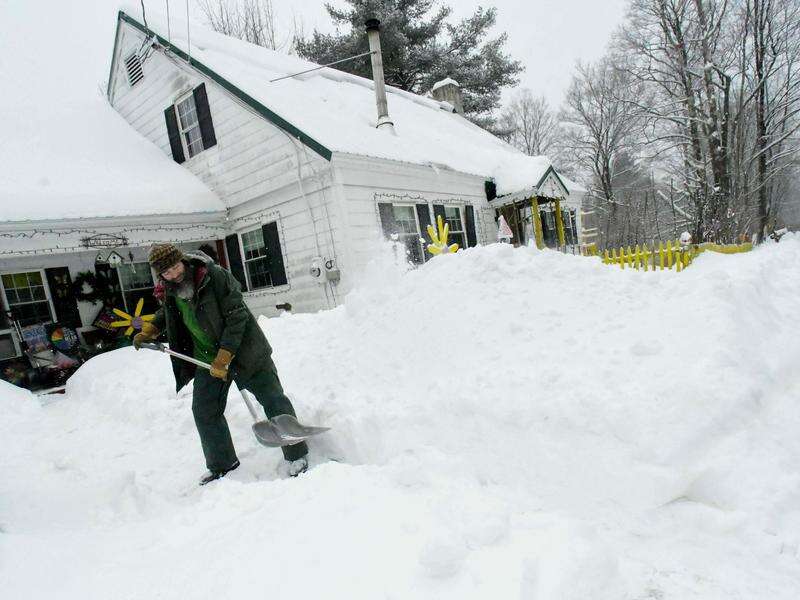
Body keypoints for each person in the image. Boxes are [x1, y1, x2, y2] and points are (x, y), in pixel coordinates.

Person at [133, 243, 308, 484]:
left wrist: (225, 356)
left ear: (182, 260)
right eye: (167, 272)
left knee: (273, 399)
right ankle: (222, 463)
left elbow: (237, 315)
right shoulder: (170, 289)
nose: (174, 274)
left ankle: (296, 454)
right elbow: (170, 312)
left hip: (246, 353)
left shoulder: (213, 276)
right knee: (205, 411)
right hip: (207, 359)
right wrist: (151, 329)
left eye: (175, 267)